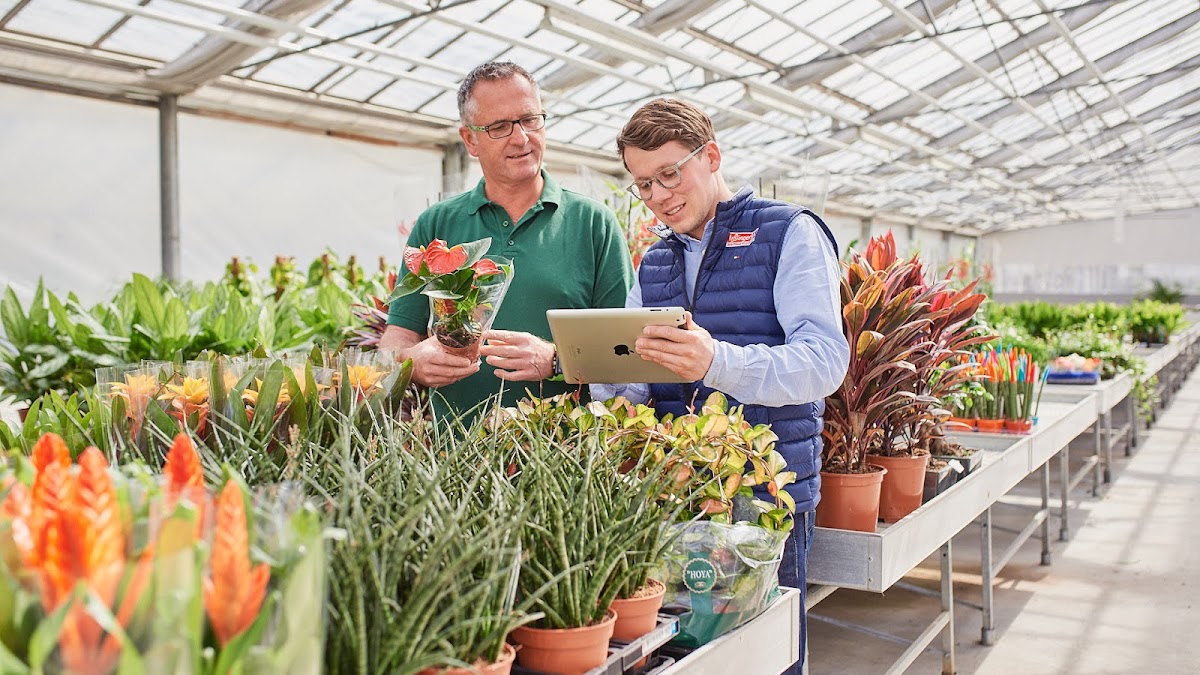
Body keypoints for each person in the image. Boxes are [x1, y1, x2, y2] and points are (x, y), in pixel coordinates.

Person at [591, 98, 849, 674]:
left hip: (766, 500)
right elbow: (639, 384)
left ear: (710, 156)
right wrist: (605, 377)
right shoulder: (655, 261)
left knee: (768, 656)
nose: (658, 196)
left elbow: (825, 362)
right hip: (678, 497)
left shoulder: (789, 232)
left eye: (669, 174)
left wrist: (715, 361)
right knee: (690, 655)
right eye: (643, 184)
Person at [382, 61, 634, 419]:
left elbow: (625, 350)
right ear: (470, 140)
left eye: (530, 120)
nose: (521, 138)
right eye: (499, 127)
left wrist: (556, 359)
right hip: (455, 446)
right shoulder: (437, 224)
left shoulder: (594, 223)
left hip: (567, 446)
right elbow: (398, 336)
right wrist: (412, 362)